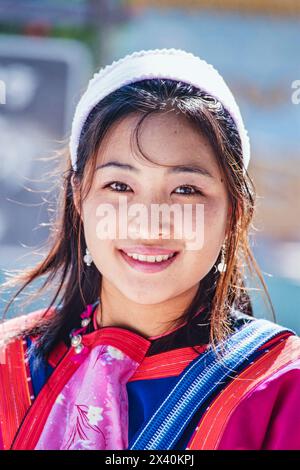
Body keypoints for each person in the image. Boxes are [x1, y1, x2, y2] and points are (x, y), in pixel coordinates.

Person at [1, 48, 300, 451]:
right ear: (78, 197)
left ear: (234, 212)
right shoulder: (10, 363)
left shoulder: (281, 387)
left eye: (185, 190)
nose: (148, 221)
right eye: (120, 186)